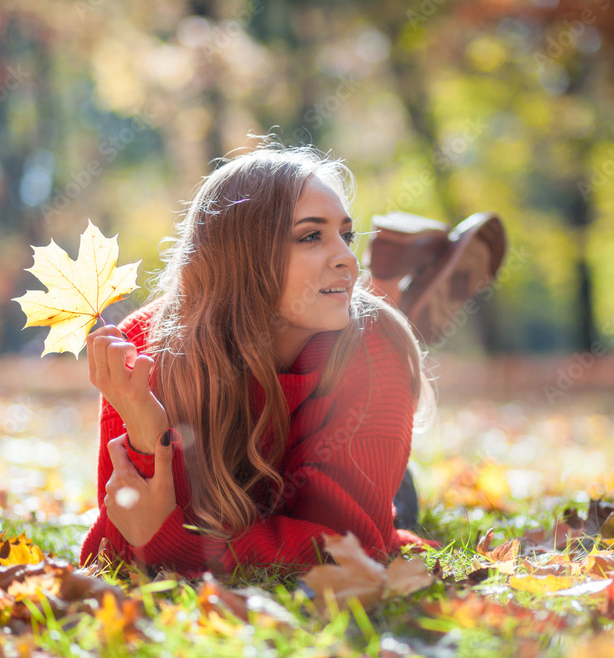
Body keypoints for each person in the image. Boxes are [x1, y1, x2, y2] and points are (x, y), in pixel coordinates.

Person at [79, 141, 439, 578]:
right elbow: (115, 549)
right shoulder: (145, 347)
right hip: (275, 477)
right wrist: (145, 432)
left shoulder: (376, 345)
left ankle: (394, 288)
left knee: (400, 497)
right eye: (311, 236)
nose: (347, 256)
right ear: (242, 257)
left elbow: (351, 547)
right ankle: (396, 280)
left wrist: (172, 539)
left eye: (346, 234)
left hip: (352, 451)